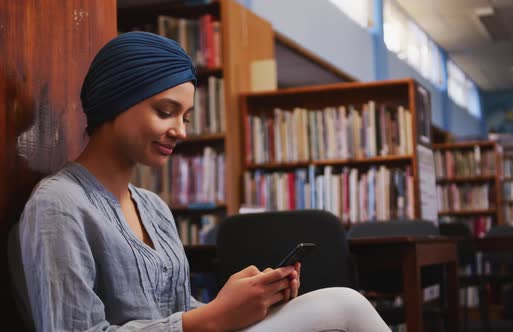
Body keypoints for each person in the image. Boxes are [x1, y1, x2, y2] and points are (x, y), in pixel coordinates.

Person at [14, 31, 391, 331]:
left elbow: (180, 314)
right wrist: (212, 319)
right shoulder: (58, 204)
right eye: (166, 111)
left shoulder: (154, 207)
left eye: (187, 117)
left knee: (340, 308)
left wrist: (247, 304)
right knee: (343, 306)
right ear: (116, 100)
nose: (180, 130)